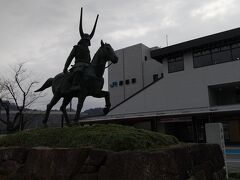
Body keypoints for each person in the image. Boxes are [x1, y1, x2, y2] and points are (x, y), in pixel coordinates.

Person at [63, 7, 99, 92]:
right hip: (78, 64)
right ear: (82, 41)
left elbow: (90, 59)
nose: (87, 42)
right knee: (79, 70)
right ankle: (75, 85)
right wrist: (65, 67)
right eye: (85, 40)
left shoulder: (87, 50)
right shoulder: (77, 47)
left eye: (88, 41)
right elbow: (70, 57)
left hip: (87, 65)